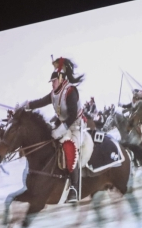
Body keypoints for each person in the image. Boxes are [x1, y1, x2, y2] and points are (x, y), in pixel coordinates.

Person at [25, 57, 92, 203]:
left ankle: (74, 188)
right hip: (64, 125)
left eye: (54, 81)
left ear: (61, 78)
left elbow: (73, 115)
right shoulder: (55, 93)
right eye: (52, 82)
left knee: (69, 147)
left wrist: (61, 129)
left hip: (76, 126)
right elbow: (41, 101)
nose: (52, 84)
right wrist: (28, 105)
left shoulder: (70, 92)